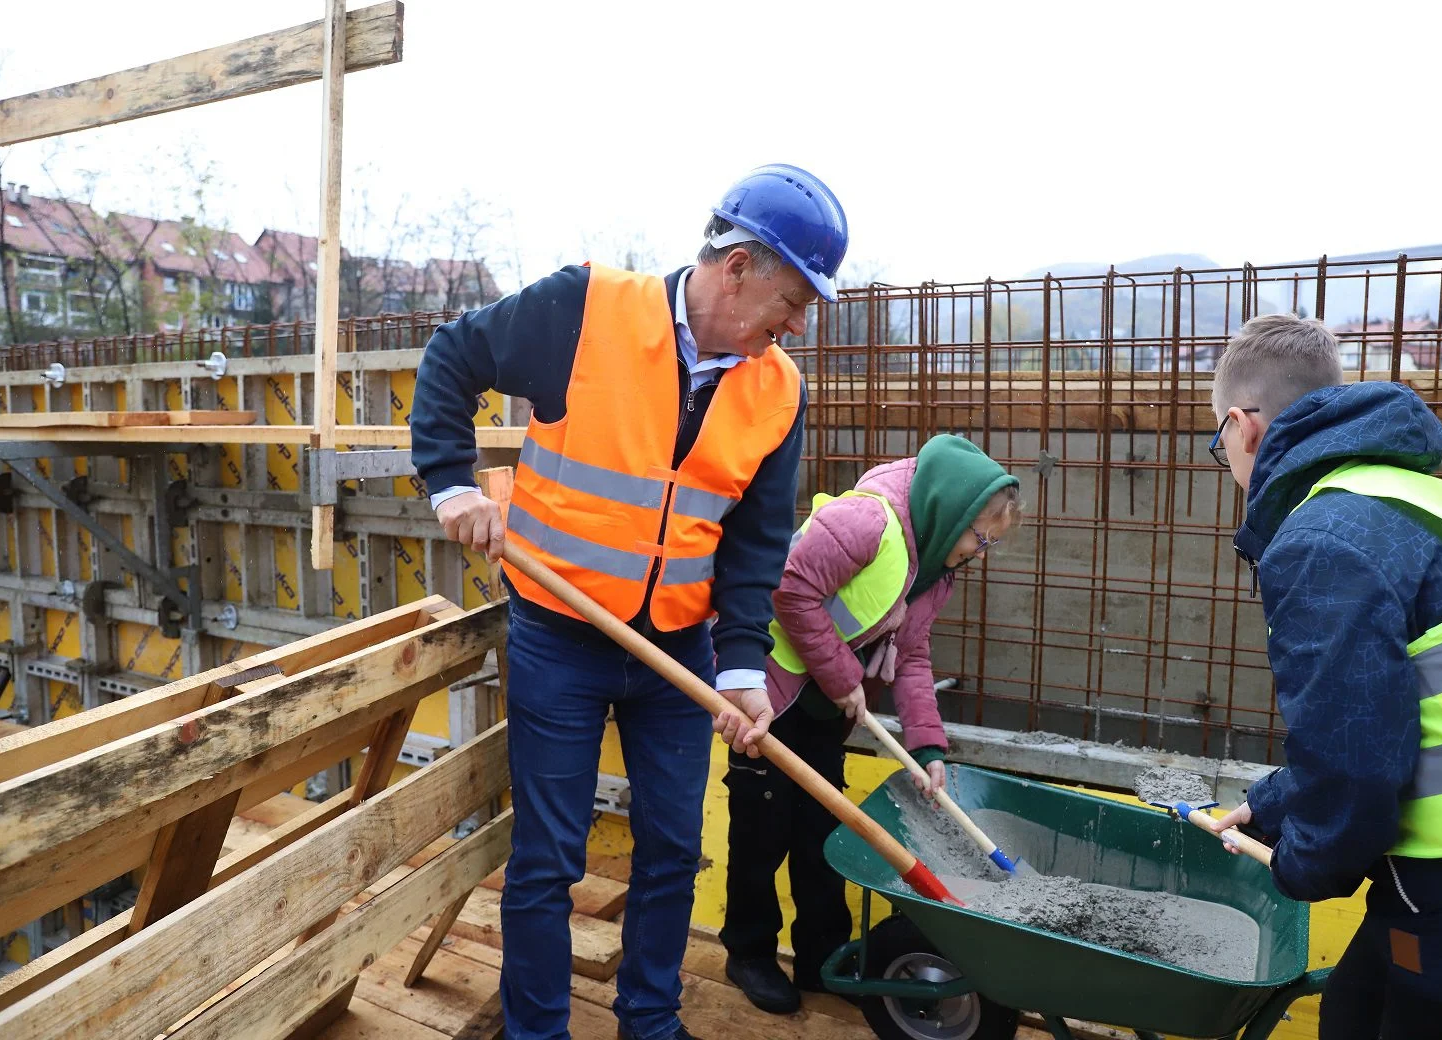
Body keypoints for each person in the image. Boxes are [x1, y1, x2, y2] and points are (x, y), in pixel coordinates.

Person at [409, 164, 849, 1040]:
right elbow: (452, 358)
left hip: (678, 652)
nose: (798, 325)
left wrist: (742, 666)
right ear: (738, 268)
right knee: (549, 858)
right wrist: (452, 484)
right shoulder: (586, 309)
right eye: (794, 300)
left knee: (674, 851)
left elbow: (757, 540)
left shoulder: (777, 389)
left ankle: (649, 1019)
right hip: (559, 634)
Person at [1204, 314, 1442, 1038]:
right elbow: (1411, 711)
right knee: (1353, 1008)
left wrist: (1301, 865)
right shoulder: (1415, 497)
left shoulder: (1323, 539)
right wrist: (1273, 805)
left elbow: (1357, 754)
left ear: (1242, 426)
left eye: (1217, 441)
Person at [720, 433, 1021, 1014]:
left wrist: (928, 747)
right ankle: (749, 952)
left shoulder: (935, 571)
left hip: (822, 712)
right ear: (949, 514)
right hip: (768, 696)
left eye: (989, 543)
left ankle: (821, 956)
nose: (980, 552)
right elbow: (790, 589)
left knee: (821, 837)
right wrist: (842, 677)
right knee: (760, 833)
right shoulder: (867, 522)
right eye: (980, 537)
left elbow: (912, 656)